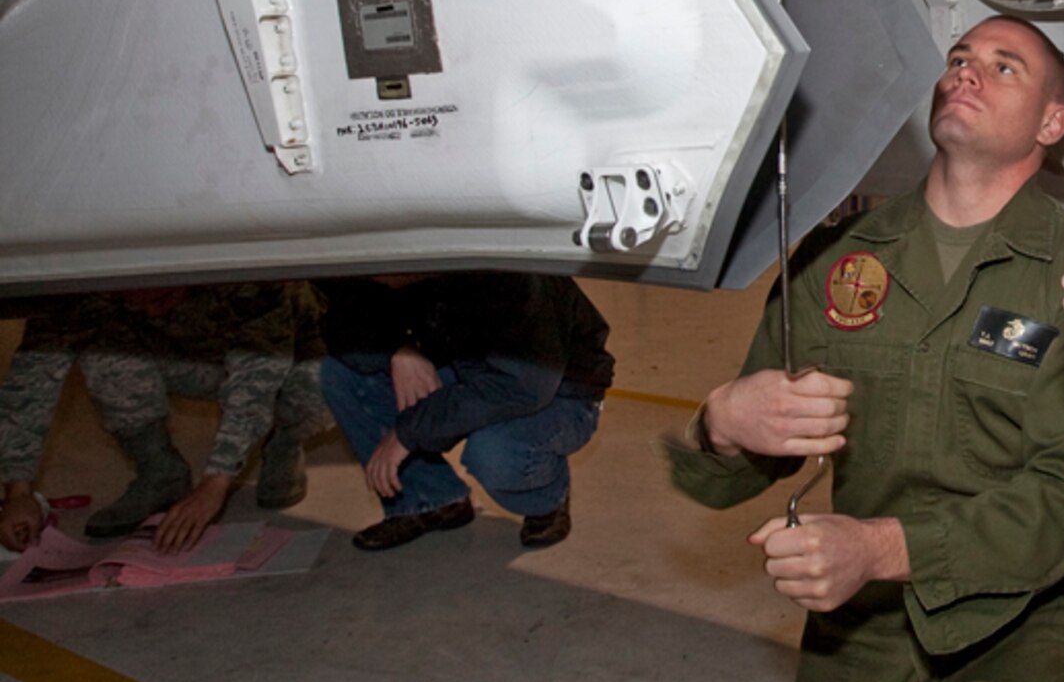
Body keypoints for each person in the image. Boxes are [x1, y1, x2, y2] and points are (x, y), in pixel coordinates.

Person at [669, 15, 1064, 682]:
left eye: (1004, 67)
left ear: (1053, 122)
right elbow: (726, 477)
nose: (967, 71)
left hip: (1026, 622)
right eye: (960, 57)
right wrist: (723, 423)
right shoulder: (835, 257)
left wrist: (878, 547)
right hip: (867, 625)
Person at [0, 283, 331, 554]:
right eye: (135, 299)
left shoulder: (247, 277)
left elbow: (256, 378)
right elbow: (33, 379)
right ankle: (159, 471)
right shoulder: (87, 279)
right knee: (105, 354)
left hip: (287, 357)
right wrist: (18, 492)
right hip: (187, 360)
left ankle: (285, 443)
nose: (151, 309)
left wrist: (215, 483)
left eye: (161, 297)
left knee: (321, 383)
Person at [319, 273, 614, 550]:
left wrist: (408, 432)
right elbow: (343, 317)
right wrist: (398, 348)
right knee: (343, 375)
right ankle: (431, 501)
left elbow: (523, 386)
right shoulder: (399, 264)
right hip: (469, 366)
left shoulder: (513, 274)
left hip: (557, 388)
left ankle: (547, 498)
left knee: (496, 452)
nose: (377, 276)